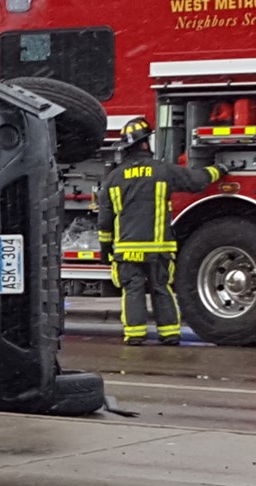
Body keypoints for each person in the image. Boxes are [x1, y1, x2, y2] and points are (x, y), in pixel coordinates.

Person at [96, 116, 227, 346]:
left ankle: (135, 334)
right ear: (146, 144)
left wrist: (106, 250)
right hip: (159, 248)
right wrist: (219, 169)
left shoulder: (113, 179)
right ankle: (169, 334)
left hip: (127, 250)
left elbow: (105, 222)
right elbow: (196, 180)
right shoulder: (162, 171)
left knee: (133, 289)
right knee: (161, 288)